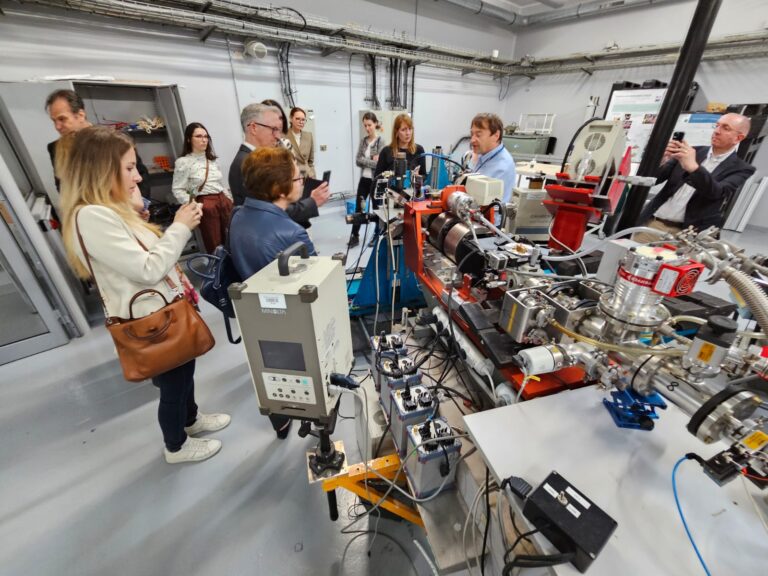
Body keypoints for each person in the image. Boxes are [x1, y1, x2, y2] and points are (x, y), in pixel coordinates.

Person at [59, 126, 230, 464]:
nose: (137, 176)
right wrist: (180, 226)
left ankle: (191, 419)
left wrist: (137, 214)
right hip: (150, 320)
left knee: (184, 371)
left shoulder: (110, 210)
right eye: (128, 168)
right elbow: (148, 268)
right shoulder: (92, 216)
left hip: (163, 311)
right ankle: (176, 446)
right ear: (101, 170)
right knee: (173, 385)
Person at [229, 146, 316, 439]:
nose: (301, 181)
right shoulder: (292, 234)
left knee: (270, 372)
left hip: (254, 316)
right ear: (279, 189)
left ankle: (280, 420)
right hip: (290, 322)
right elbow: (317, 286)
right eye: (297, 177)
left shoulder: (239, 215)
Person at [634, 113, 756, 243]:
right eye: (717, 125)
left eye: (725, 128)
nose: (717, 131)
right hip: (654, 224)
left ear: (738, 138)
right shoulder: (691, 152)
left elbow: (717, 192)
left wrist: (694, 168)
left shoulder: (742, 168)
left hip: (689, 234)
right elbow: (654, 179)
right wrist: (661, 160)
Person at [228, 102, 329, 227]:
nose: (278, 136)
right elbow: (274, 211)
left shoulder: (254, 160)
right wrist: (312, 202)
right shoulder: (246, 165)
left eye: (279, 130)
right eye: (274, 129)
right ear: (254, 128)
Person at [45, 89, 150, 197]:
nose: (57, 127)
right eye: (54, 121)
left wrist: (140, 204)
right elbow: (62, 186)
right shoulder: (55, 148)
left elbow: (140, 176)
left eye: (62, 119)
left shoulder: (114, 139)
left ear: (81, 115)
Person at [172, 122, 233, 253]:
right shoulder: (184, 162)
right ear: (189, 139)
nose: (204, 140)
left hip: (224, 201)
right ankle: (219, 266)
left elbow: (220, 184)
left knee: (232, 238)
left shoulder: (213, 160)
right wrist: (194, 205)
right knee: (214, 243)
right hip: (206, 203)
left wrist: (229, 199)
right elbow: (178, 189)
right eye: (199, 136)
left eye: (206, 136)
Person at [348, 111, 384, 247]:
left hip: (375, 181)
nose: (367, 128)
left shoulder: (381, 141)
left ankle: (376, 235)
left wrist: (366, 160)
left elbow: (379, 164)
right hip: (364, 180)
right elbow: (358, 160)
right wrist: (371, 160)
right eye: (365, 125)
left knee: (376, 209)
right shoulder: (363, 141)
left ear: (375, 124)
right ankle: (355, 236)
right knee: (359, 209)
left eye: (369, 125)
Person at [469, 113, 516, 203]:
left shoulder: (502, 167)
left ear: (496, 136)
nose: (472, 140)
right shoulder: (482, 154)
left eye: (478, 135)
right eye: (472, 134)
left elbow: (486, 204)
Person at [374, 113, 427, 181]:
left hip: (412, 187)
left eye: (410, 129)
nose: (408, 133)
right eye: (403, 130)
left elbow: (424, 176)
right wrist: (390, 178)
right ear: (396, 132)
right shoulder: (386, 151)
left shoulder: (419, 150)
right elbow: (377, 177)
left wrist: (418, 177)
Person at [286, 106, 316, 178]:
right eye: (297, 119)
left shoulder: (308, 136)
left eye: (303, 120)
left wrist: (313, 177)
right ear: (291, 119)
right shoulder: (283, 136)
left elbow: (310, 162)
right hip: (291, 177)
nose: (301, 122)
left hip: (307, 176)